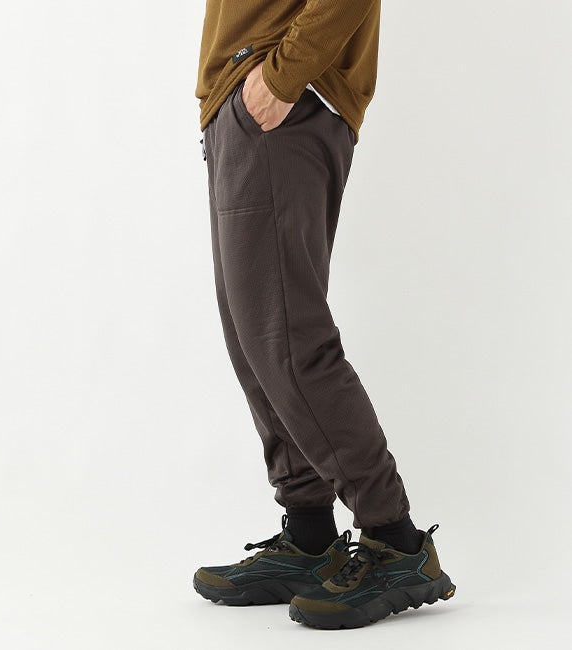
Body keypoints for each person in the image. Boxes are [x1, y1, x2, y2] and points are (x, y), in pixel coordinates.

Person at [193, 1, 455, 629]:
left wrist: (281, 77)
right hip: (245, 101)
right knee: (255, 343)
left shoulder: (282, 87)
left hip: (283, 97)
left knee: (287, 341)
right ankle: (310, 537)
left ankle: (396, 542)